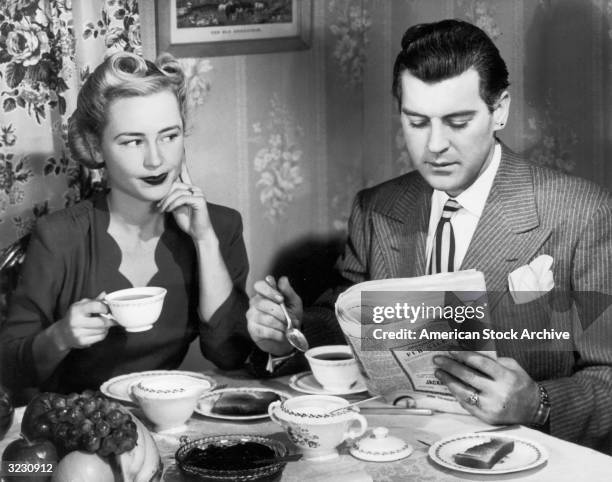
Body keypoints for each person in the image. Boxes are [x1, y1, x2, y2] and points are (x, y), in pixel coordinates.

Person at [247, 19, 612, 453]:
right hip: (392, 450)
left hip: (518, 461)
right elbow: (352, 322)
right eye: (417, 122)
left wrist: (539, 404)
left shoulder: (583, 213)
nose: (434, 145)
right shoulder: (377, 208)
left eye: (457, 121)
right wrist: (291, 329)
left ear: (500, 110)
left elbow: (607, 376)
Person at [0, 52, 252, 394]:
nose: (156, 159)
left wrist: (204, 242)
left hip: (167, 416)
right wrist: (59, 336)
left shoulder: (220, 227)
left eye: (169, 136)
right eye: (133, 141)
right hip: (73, 422)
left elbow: (230, 355)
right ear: (95, 146)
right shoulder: (60, 237)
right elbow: (10, 372)